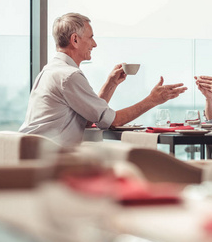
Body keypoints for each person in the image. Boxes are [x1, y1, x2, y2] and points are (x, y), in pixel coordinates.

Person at [19, 13, 187, 147]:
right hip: (49, 159)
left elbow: (90, 118)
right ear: (75, 40)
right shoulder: (69, 76)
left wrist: (110, 84)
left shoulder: (51, 70)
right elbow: (113, 120)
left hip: (34, 153)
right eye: (91, 37)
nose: (95, 44)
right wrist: (153, 100)